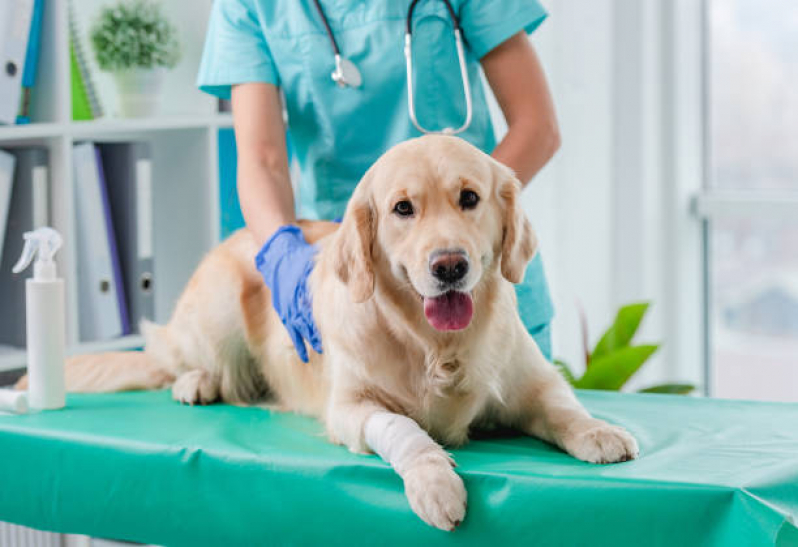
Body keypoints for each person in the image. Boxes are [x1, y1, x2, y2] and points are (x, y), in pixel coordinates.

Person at [197, 0, 560, 363]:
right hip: (353, 273)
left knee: (521, 414)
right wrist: (281, 252)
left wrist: (473, 204)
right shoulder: (249, 6)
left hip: (479, 282)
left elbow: (537, 128)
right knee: (368, 412)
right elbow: (262, 160)